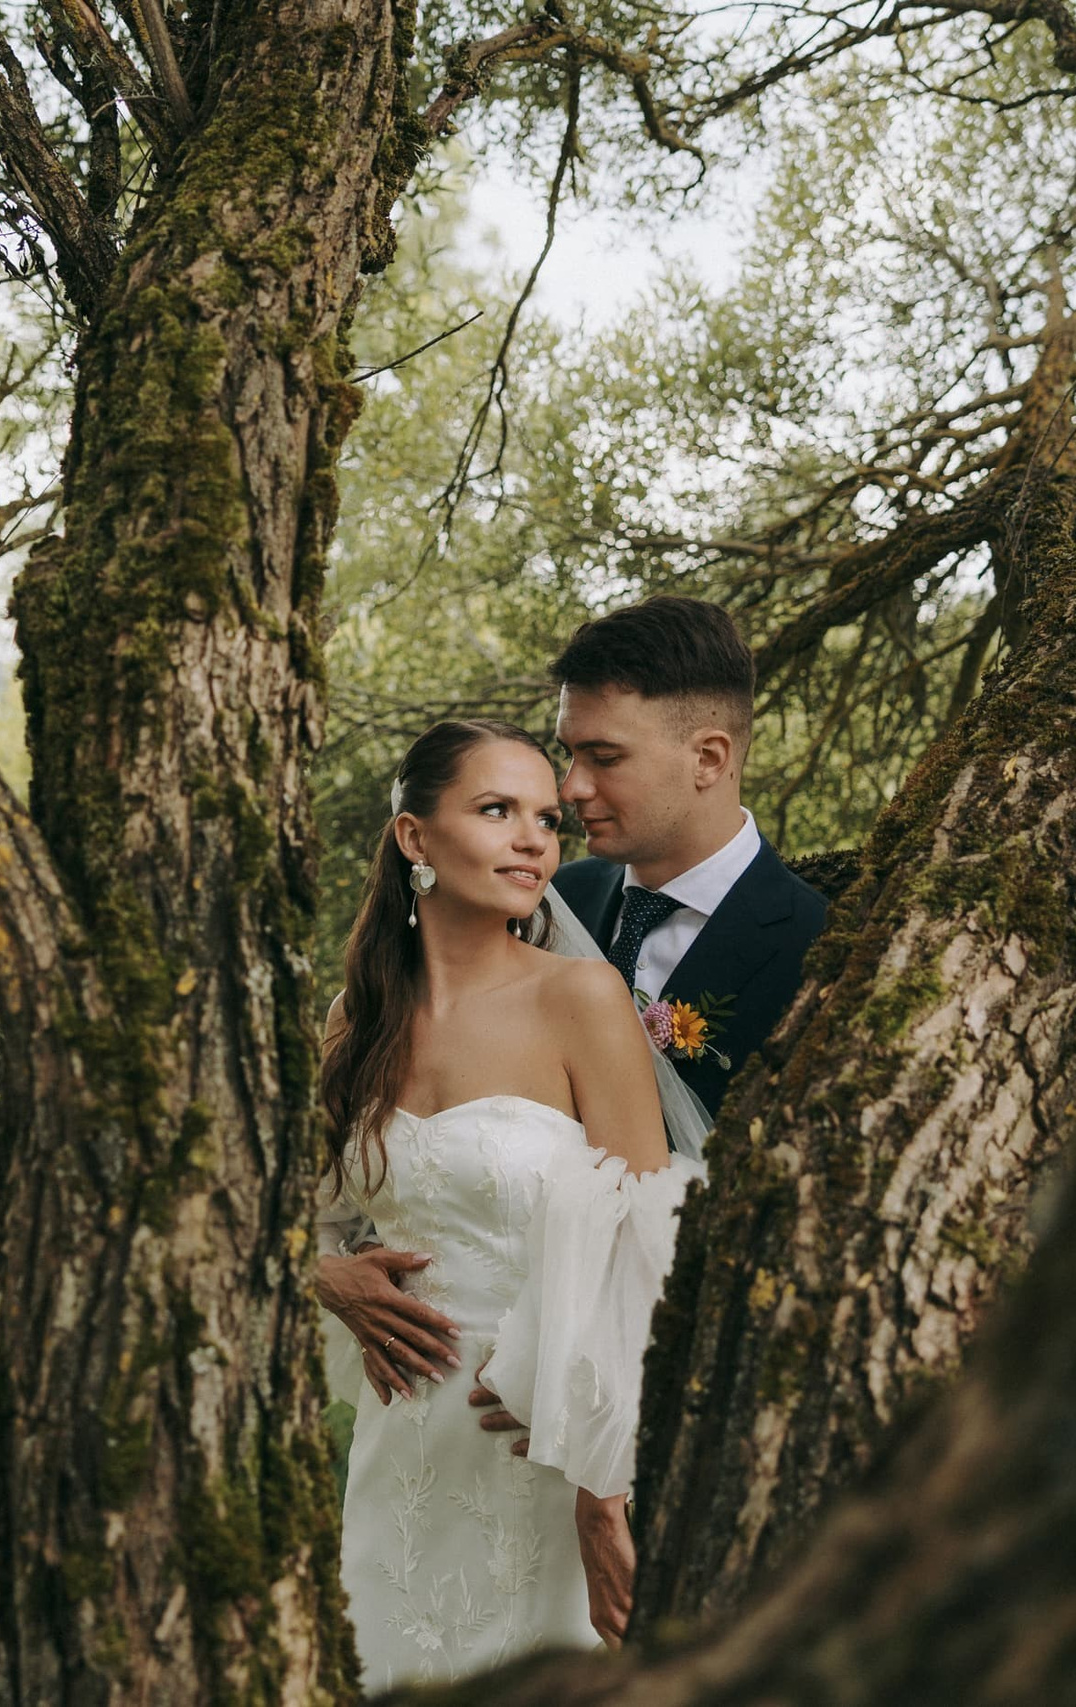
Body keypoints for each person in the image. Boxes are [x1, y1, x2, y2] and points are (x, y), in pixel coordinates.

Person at [314, 719, 703, 1690]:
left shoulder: (581, 999)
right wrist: (327, 1275)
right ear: (415, 838)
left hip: (550, 1440)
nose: (534, 838)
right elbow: (293, 1213)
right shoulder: (354, 1021)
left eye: (544, 818)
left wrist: (601, 1484)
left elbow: (645, 1246)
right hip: (404, 1438)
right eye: (496, 811)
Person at [547, 595, 828, 1115]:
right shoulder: (554, 900)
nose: (571, 789)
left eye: (604, 758)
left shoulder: (820, 949)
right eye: (569, 755)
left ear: (708, 758)